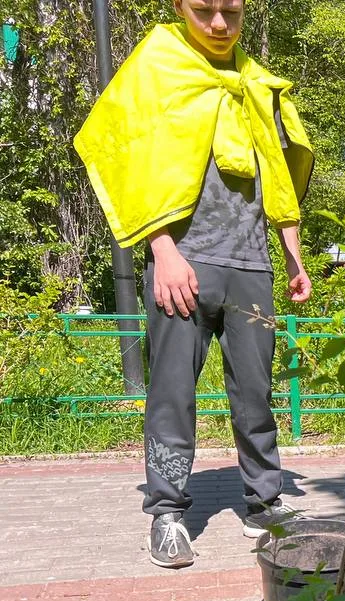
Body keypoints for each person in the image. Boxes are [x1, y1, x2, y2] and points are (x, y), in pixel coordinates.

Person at [74, 0, 314, 569]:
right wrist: (161, 249)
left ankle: (264, 500)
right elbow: (118, 149)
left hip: (251, 264)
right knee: (173, 392)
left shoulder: (255, 81)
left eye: (231, 11)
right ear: (180, 7)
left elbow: (275, 172)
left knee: (256, 390)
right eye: (203, 9)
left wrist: (292, 255)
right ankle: (166, 512)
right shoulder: (158, 64)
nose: (218, 24)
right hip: (182, 263)